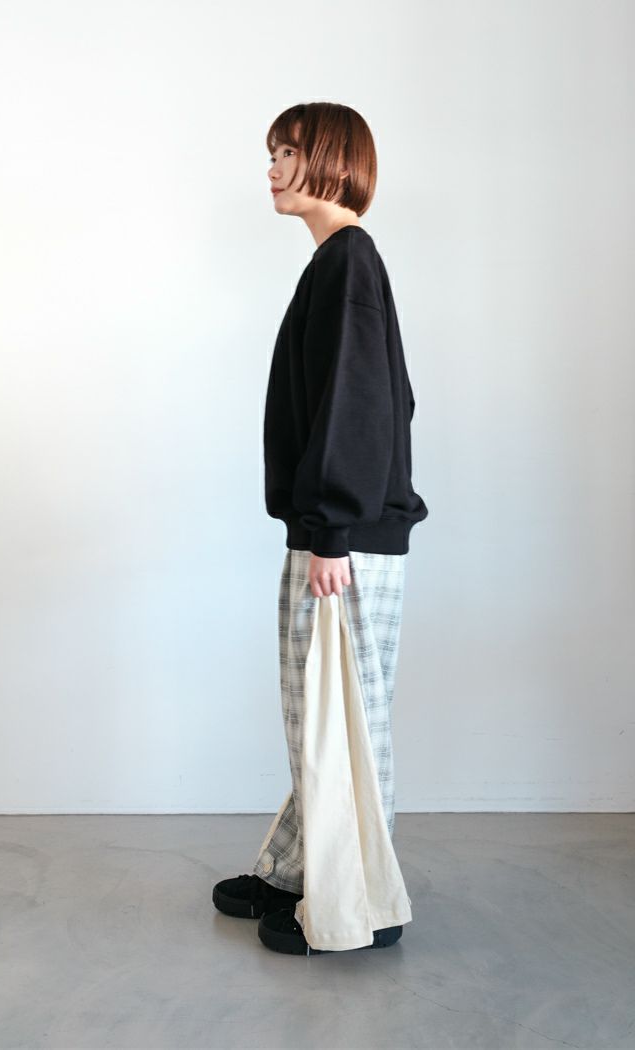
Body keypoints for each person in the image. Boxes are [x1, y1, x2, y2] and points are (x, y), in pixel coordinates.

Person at [212, 101, 429, 955]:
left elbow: (364, 402)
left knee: (345, 722)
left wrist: (334, 529)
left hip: (345, 538)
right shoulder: (336, 264)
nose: (271, 168)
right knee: (319, 717)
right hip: (331, 531)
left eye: (288, 151)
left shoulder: (348, 262)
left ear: (333, 161)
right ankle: (303, 869)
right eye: (271, 153)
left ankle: (361, 904)